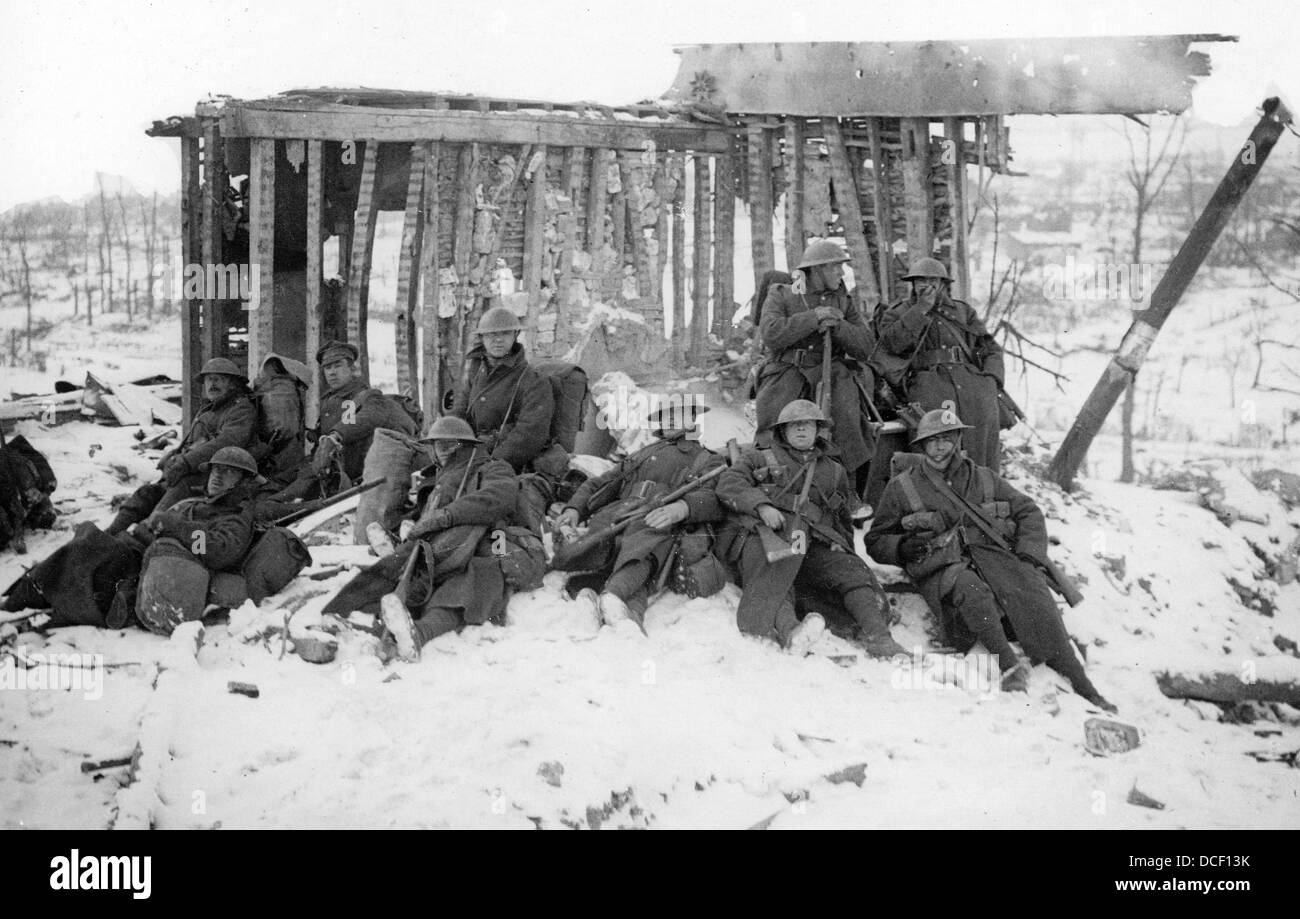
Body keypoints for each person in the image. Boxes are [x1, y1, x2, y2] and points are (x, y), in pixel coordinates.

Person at [865, 409, 1115, 710]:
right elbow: (876, 540)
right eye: (932, 440)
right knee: (971, 589)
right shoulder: (902, 487)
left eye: (947, 439)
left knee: (1034, 592)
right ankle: (1010, 666)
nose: (940, 447)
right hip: (940, 565)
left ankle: (1082, 683)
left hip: (994, 557)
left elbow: (1028, 510)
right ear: (921, 445)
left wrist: (1028, 552)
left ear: (958, 440)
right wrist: (902, 547)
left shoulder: (983, 477)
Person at [322, 416, 542, 662]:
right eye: (439, 446)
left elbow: (499, 497)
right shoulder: (439, 479)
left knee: (477, 575)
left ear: (467, 445)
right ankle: (343, 615)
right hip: (450, 545)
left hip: (500, 539)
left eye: (451, 445)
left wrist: (447, 515)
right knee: (400, 566)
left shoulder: (492, 467)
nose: (444, 452)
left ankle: (419, 634)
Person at [716, 400, 906, 658]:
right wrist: (761, 506)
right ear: (783, 431)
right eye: (794, 425)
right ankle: (792, 631)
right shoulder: (760, 456)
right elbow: (729, 484)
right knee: (776, 576)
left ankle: (880, 638)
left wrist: (843, 545)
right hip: (767, 540)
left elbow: (841, 517)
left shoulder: (834, 470)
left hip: (812, 544)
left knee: (851, 570)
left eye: (807, 424)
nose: (801, 430)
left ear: (818, 430)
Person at [552, 402, 725, 628]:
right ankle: (621, 609)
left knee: (645, 540)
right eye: (666, 415)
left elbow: (714, 498)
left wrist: (682, 508)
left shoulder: (707, 459)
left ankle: (611, 594)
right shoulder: (642, 454)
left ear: (693, 420)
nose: (671, 419)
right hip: (618, 516)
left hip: (660, 522)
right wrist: (574, 508)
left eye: (679, 414)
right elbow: (600, 484)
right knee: (593, 546)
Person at [754, 240, 881, 492]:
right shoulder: (782, 292)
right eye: (836, 267)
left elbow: (866, 346)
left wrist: (839, 325)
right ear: (818, 268)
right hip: (787, 371)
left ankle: (847, 491)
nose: (841, 273)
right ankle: (773, 486)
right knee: (773, 426)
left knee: (848, 424)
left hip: (832, 374)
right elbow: (771, 333)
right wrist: (814, 317)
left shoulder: (843, 301)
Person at [873, 258, 1005, 468]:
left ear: (943, 283)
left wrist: (991, 379)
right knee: (936, 436)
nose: (926, 285)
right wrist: (920, 310)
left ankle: (982, 488)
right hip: (927, 382)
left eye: (932, 280)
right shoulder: (898, 312)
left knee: (982, 438)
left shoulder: (962, 312)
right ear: (913, 284)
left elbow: (989, 347)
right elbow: (891, 344)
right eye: (920, 280)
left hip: (971, 382)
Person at [106, 357, 255, 535]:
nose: (212, 384)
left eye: (219, 379)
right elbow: (193, 441)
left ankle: (143, 537)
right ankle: (110, 535)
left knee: (166, 505)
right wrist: (173, 457)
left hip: (213, 474)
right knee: (146, 494)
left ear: (232, 384)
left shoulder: (241, 409)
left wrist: (185, 462)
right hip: (191, 471)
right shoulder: (209, 409)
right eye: (209, 379)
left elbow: (227, 442)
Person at [264, 340, 413, 505]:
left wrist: (334, 436)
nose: (332, 373)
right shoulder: (330, 401)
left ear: (352, 368)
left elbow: (361, 420)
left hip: (362, 478)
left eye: (338, 365)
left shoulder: (365, 396)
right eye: (327, 368)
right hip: (335, 475)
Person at [452, 306, 558, 475]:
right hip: (473, 456)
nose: (498, 340)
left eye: (505, 333)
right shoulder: (477, 373)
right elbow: (459, 413)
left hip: (509, 466)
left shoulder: (534, 381)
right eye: (491, 334)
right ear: (482, 337)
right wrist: (452, 445)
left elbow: (528, 435)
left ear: (515, 336)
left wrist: (491, 464)